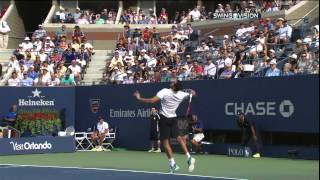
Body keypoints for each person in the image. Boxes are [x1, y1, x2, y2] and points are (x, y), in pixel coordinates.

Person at [133, 80, 196, 173]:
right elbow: (193, 93)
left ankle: (173, 164)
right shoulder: (181, 94)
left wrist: (139, 98)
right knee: (179, 138)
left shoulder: (165, 91)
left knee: (165, 143)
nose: (172, 81)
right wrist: (188, 91)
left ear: (174, 86)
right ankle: (189, 157)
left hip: (164, 119)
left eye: (173, 82)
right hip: (173, 118)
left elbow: (152, 101)